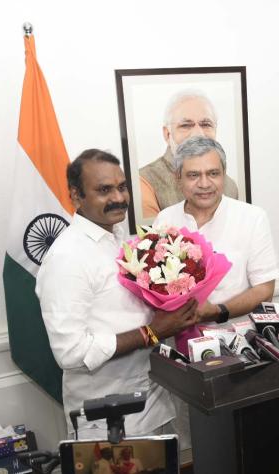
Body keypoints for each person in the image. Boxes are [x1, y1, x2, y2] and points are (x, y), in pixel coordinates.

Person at [35, 149, 198, 439]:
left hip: (152, 405)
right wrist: (151, 332)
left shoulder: (122, 239)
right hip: (107, 422)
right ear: (76, 196)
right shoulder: (67, 257)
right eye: (104, 190)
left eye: (122, 187)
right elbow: (71, 352)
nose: (119, 198)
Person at [153, 136, 279, 323]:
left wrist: (219, 311)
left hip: (236, 340)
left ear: (224, 174)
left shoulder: (252, 218)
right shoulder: (165, 219)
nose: (204, 184)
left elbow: (264, 290)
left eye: (213, 173)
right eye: (193, 175)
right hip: (177, 338)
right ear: (177, 178)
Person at [139, 90, 239, 218]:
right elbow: (152, 236)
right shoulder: (144, 182)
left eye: (206, 124)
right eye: (186, 125)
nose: (198, 133)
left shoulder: (230, 186)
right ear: (167, 134)